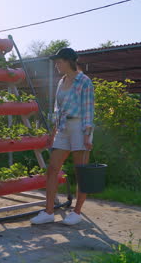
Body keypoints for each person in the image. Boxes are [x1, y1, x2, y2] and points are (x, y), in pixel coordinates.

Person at [30, 48, 94, 226]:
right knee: (52, 169)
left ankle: (77, 212)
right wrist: (53, 132)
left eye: (59, 62)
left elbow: (89, 110)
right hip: (63, 128)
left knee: (81, 172)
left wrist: (88, 136)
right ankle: (48, 211)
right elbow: (57, 110)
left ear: (68, 61)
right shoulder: (61, 81)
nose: (56, 65)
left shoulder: (84, 81)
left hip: (80, 128)